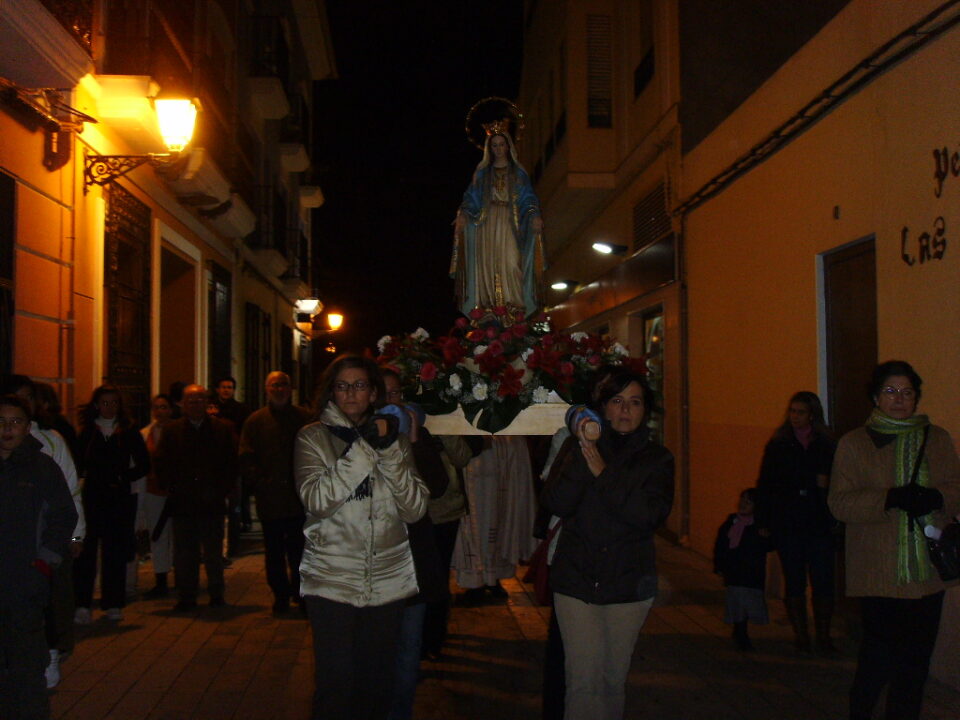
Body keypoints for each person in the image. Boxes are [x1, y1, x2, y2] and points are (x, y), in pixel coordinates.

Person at [294, 355, 428, 720]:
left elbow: (415, 509)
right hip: (331, 581)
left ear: (373, 394)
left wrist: (389, 454)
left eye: (359, 385)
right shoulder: (313, 437)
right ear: (331, 393)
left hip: (388, 581)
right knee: (336, 684)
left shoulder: (396, 442)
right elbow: (318, 500)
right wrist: (366, 449)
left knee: (377, 685)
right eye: (342, 385)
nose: (351, 393)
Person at [828, 360, 960, 720]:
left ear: (916, 398)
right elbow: (840, 503)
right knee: (876, 661)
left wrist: (935, 498)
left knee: (914, 666)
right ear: (875, 396)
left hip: (925, 576)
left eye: (907, 392)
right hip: (878, 573)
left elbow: (956, 488)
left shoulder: (938, 439)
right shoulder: (854, 444)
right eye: (890, 391)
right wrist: (888, 498)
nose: (899, 399)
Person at [541, 369, 674, 720]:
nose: (625, 411)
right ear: (602, 407)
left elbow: (648, 515)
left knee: (612, 682)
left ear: (646, 409)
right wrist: (587, 450)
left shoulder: (657, 459)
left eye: (635, 402)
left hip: (628, 585)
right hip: (576, 582)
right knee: (583, 682)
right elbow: (557, 502)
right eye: (617, 401)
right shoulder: (577, 445)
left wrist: (604, 473)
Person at [0, 375, 84, 689]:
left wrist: (45, 561)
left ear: (27, 424)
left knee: (25, 661)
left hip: (26, 579)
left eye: (16, 421)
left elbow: (66, 510)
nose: (8, 429)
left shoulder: (43, 465)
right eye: (1, 421)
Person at [381, 369, 450, 720]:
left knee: (408, 655)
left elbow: (437, 485)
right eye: (383, 393)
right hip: (375, 565)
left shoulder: (417, 436)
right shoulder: (358, 436)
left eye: (395, 394)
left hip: (412, 563)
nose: (390, 401)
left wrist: (415, 439)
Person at [757, 391, 837, 652]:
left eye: (800, 412)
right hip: (788, 522)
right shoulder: (779, 444)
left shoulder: (826, 444)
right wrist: (764, 519)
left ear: (812, 414)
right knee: (794, 580)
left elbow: (837, 480)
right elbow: (766, 482)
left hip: (818, 522)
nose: (794, 417)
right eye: (792, 411)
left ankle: (823, 635)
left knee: (823, 580)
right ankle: (801, 635)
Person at [154, 384, 238, 611]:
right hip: (184, 502)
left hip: (212, 501)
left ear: (207, 402)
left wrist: (223, 489)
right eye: (191, 400)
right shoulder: (172, 431)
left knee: (213, 553)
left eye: (200, 400)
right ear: (182, 404)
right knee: (184, 553)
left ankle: (216, 593)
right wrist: (172, 487)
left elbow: (231, 463)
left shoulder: (222, 429)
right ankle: (187, 595)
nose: (196, 404)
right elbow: (162, 462)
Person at [73, 385, 149, 624]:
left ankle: (114, 603)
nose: (109, 407)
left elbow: (144, 464)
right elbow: (76, 463)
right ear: (96, 405)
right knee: (86, 552)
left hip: (119, 500)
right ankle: (82, 604)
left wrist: (122, 478)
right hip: (92, 498)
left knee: (115, 552)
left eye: (114, 403)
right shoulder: (87, 432)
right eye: (104, 403)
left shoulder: (128, 431)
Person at [238, 371, 312, 615]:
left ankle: (301, 596)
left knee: (300, 553)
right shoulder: (256, 421)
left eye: (283, 384)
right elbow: (246, 457)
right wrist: (260, 482)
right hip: (270, 501)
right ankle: (280, 596)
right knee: (274, 555)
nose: (279, 389)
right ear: (266, 388)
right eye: (274, 385)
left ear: (290, 388)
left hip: (298, 501)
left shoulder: (305, 418)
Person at [452, 124, 544, 319]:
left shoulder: (518, 173)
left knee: (511, 262)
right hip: (486, 224)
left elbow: (528, 199)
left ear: (508, 146)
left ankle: (514, 308)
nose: (498, 149)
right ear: (489, 149)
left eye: (502, 144)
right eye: (494, 145)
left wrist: (534, 215)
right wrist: (464, 215)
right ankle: (488, 309)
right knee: (488, 265)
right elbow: (471, 199)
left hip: (510, 222)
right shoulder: (483, 174)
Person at [451, 434, 537, 601]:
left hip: (504, 451)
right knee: (476, 520)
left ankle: (493, 576)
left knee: (501, 515)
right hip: (474, 459)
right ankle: (475, 579)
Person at [713, 488, 771, 651]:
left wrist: (765, 536)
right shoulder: (732, 521)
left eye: (748, 502)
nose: (743, 504)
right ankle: (740, 632)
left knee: (748, 601)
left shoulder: (759, 525)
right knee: (737, 601)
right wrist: (719, 565)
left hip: (751, 572)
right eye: (742, 500)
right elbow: (721, 545)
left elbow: (767, 545)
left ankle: (741, 631)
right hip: (735, 570)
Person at [140, 394, 175, 598]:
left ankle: (183, 576)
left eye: (164, 407)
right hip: (153, 490)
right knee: (158, 535)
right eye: (156, 407)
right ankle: (160, 578)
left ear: (171, 409)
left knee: (178, 536)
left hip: (176, 492)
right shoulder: (146, 434)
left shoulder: (179, 431)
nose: (160, 411)